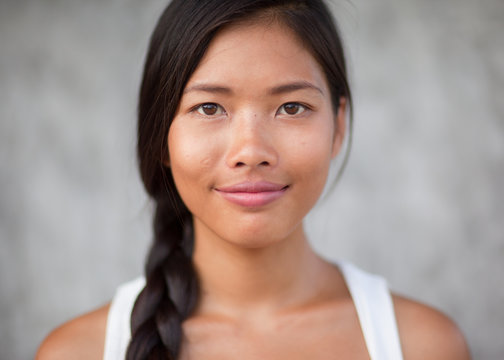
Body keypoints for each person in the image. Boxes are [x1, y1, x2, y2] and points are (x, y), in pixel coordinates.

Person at [36, 0, 471, 359]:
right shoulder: (76, 351)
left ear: (338, 126)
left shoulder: (424, 344)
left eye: (292, 107)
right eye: (209, 108)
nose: (251, 152)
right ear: (161, 136)